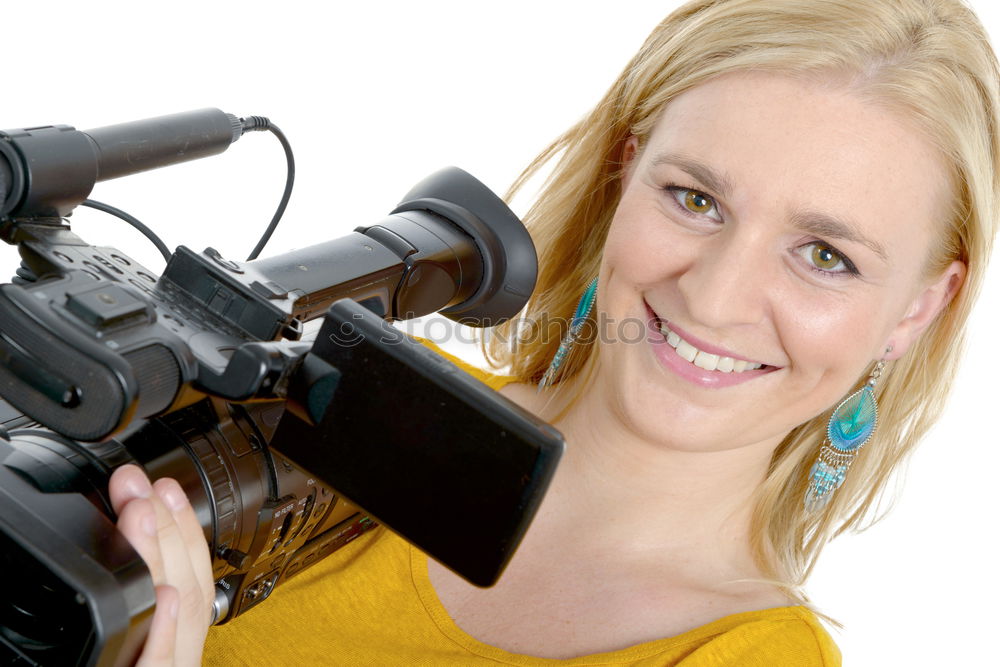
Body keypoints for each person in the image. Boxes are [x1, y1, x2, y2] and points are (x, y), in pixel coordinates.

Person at [109, 0, 999, 664]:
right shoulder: (350, 407)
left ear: (920, 306)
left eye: (825, 254)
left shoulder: (748, 654)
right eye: (695, 199)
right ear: (625, 174)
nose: (718, 294)